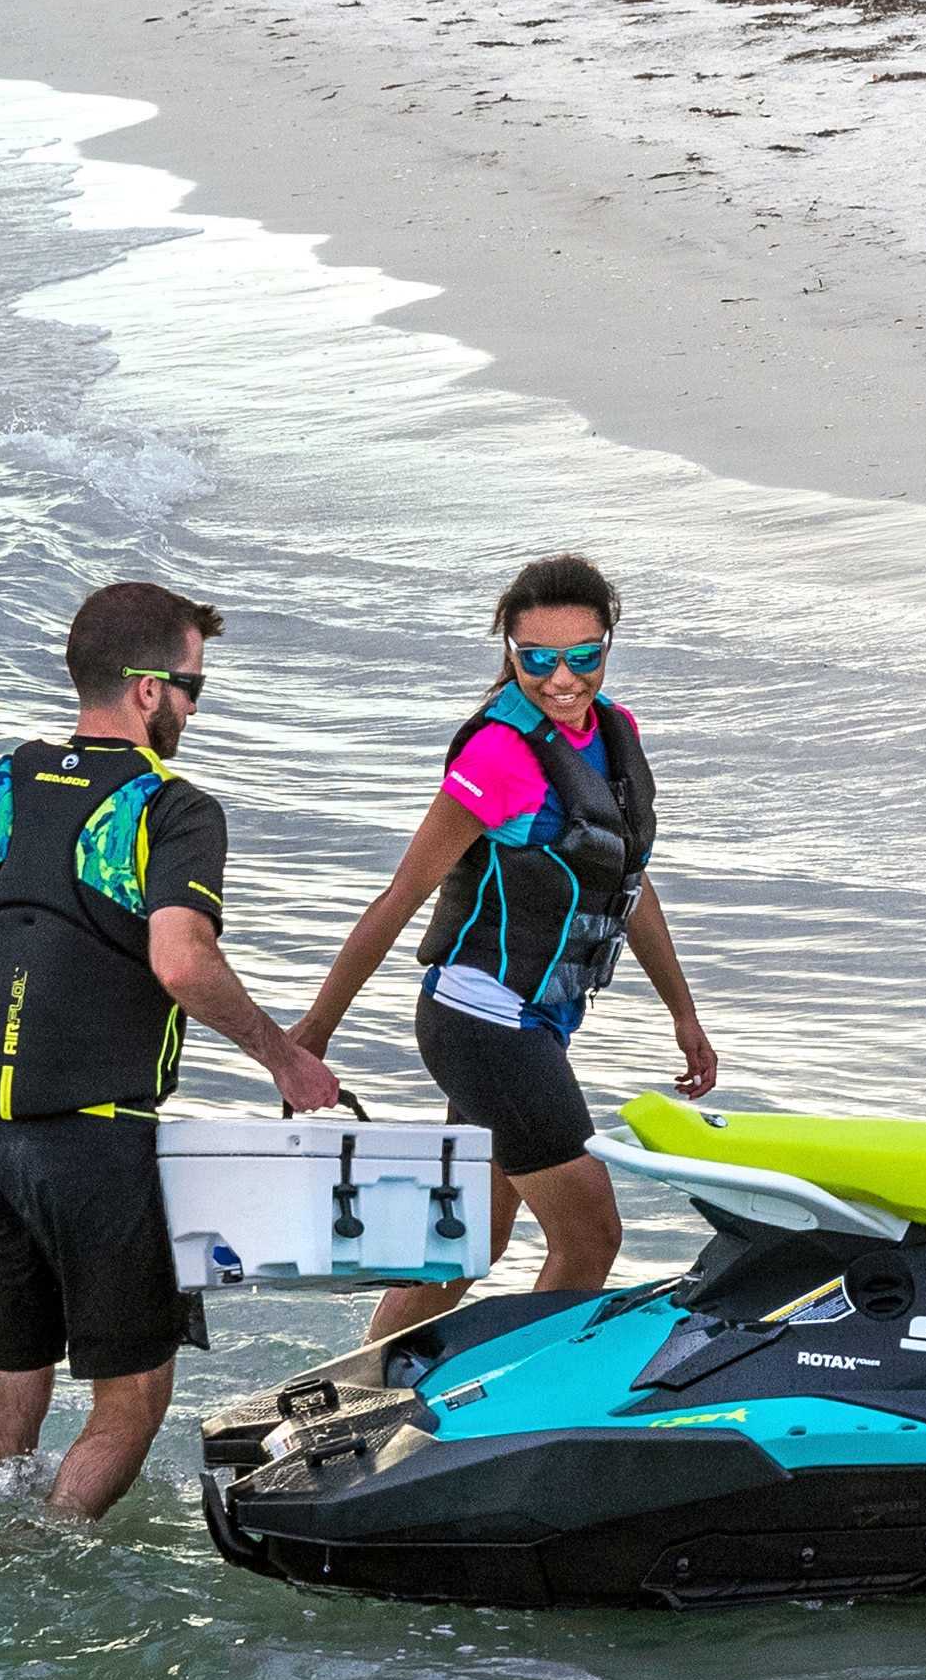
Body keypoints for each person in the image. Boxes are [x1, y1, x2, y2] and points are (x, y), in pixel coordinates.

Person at [0, 580, 346, 1519]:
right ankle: (59, 1563)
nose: (195, 708)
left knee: (11, 1380)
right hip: (94, 1151)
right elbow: (181, 960)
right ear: (148, 690)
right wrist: (284, 1058)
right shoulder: (172, 809)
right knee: (134, 1399)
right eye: (194, 688)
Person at [292, 554, 718, 1344]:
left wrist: (683, 1015)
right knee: (590, 1239)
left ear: (607, 647)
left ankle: (357, 1401)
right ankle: (509, 1411)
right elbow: (400, 897)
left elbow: (631, 883)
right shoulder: (497, 754)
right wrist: (312, 1035)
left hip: (532, 1023)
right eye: (538, 659)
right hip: (480, 1022)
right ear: (511, 654)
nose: (562, 678)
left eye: (583, 655)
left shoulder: (615, 734)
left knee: (463, 1248)